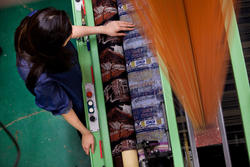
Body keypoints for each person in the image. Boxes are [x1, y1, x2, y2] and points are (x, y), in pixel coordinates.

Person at [14, 7, 134, 155]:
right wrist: (85, 132)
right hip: (65, 82)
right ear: (55, 47)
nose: (71, 33)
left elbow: (68, 30)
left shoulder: (38, 21)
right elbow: (62, 105)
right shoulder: (39, 78)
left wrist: (104, 29)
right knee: (81, 107)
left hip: (65, 67)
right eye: (67, 37)